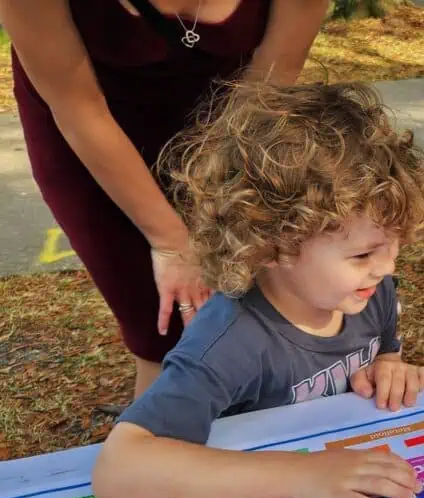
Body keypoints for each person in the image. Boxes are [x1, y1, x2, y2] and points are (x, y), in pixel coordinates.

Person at [91, 80, 424, 498]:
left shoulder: (368, 292)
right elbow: (119, 471)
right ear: (275, 245)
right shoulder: (229, 341)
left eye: (395, 245)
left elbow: (384, 349)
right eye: (365, 253)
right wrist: (302, 476)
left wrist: (389, 367)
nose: (388, 267)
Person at [1, 0, 330, 398]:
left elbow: (271, 81)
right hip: (88, 137)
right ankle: (155, 445)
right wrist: (171, 241)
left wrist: (212, 204)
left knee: (252, 305)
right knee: (169, 337)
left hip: (232, 125)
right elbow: (79, 108)